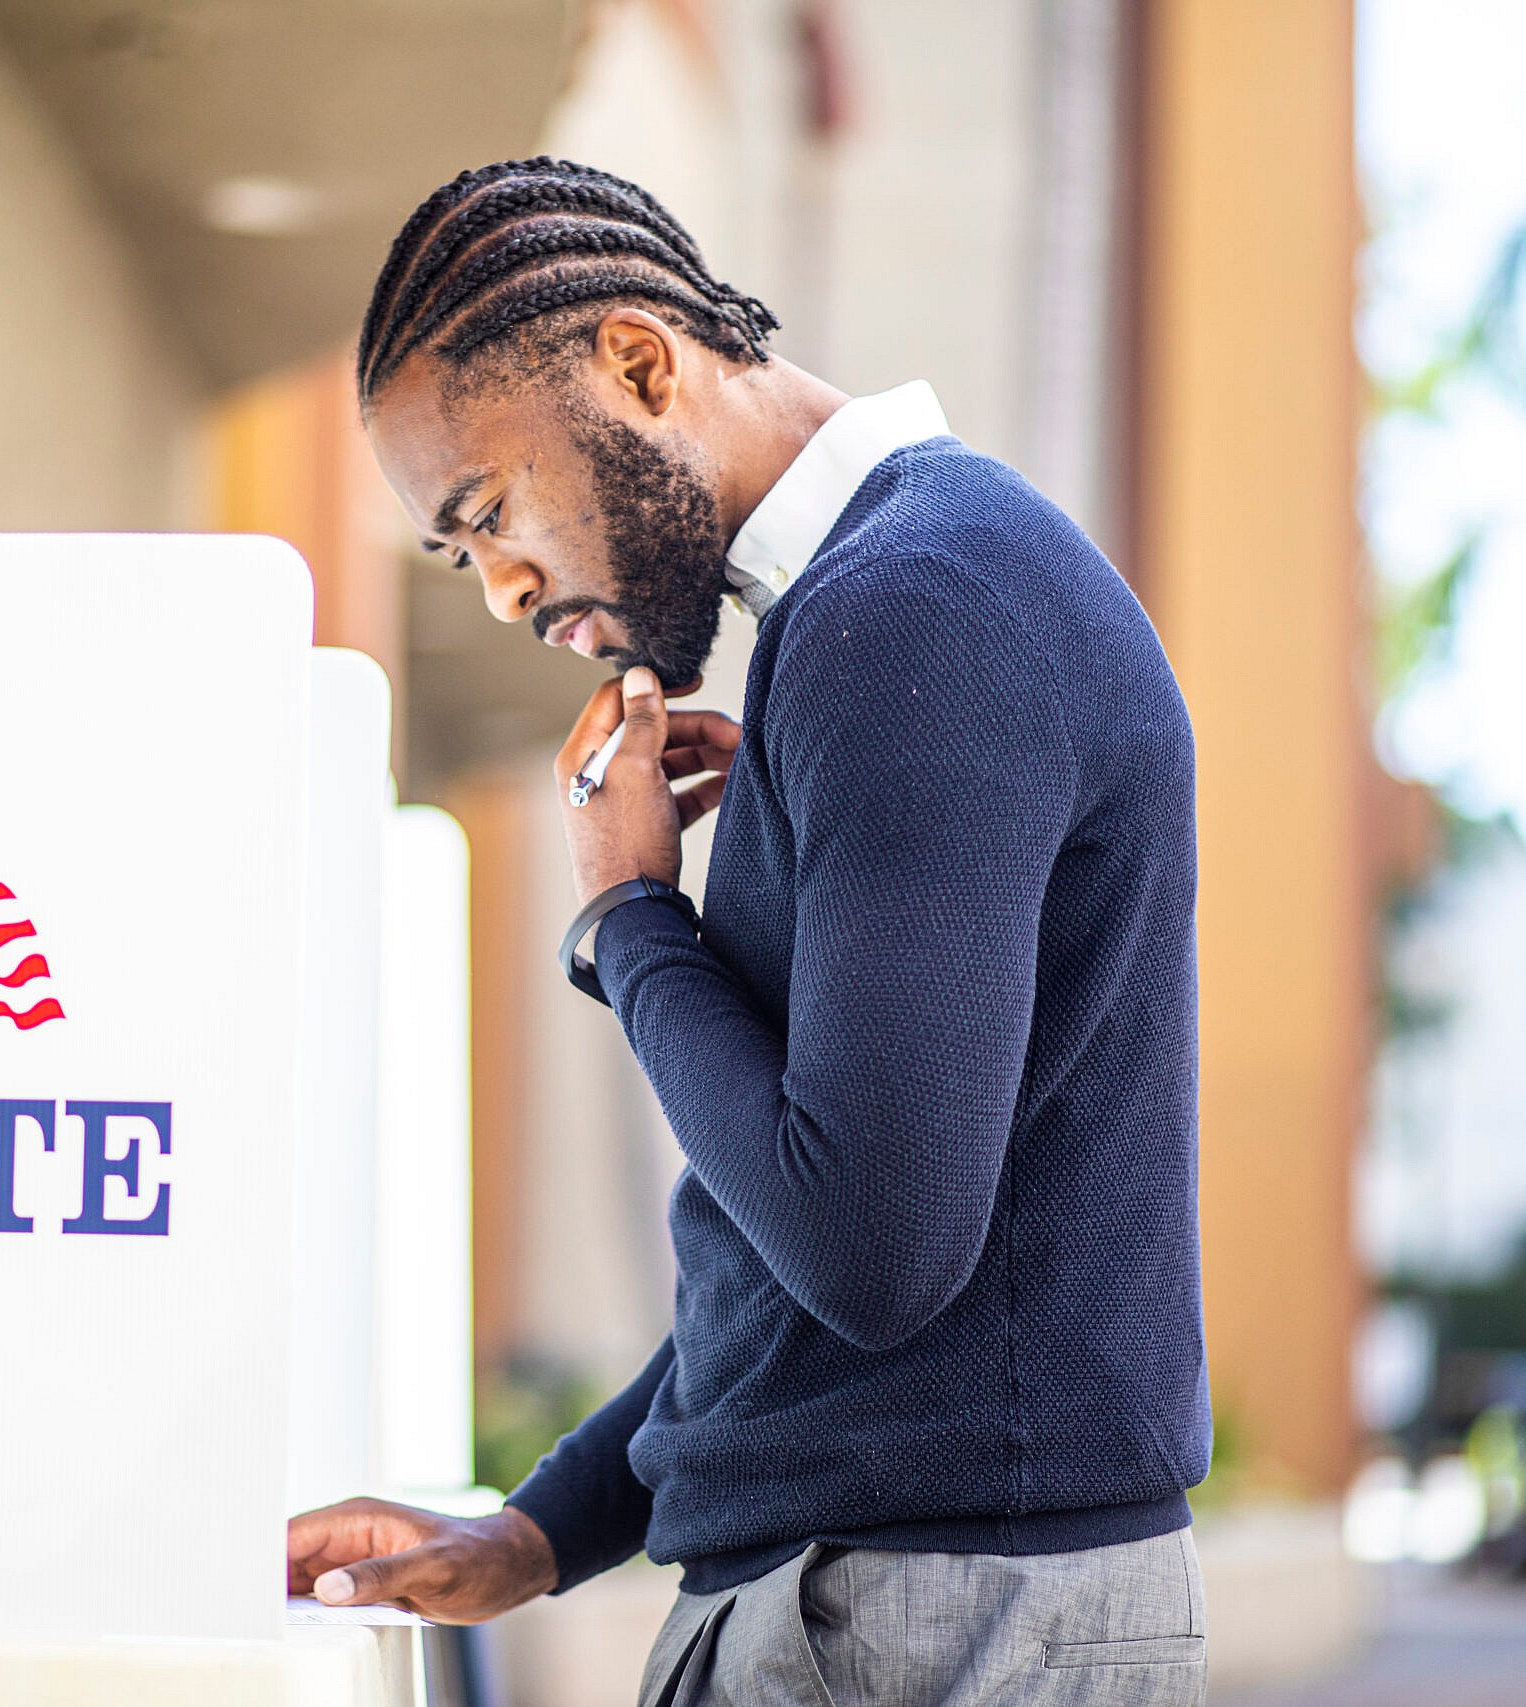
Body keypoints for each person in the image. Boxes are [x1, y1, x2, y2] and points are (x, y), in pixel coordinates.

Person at [287, 158, 1209, 1705]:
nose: (503, 591)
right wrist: (536, 1534)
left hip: (919, 1620)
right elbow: (802, 1274)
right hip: (916, 1600)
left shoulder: (910, 609)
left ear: (640, 366)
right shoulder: (893, 601)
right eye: (461, 553)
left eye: (489, 512)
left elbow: (870, 1250)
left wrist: (629, 918)